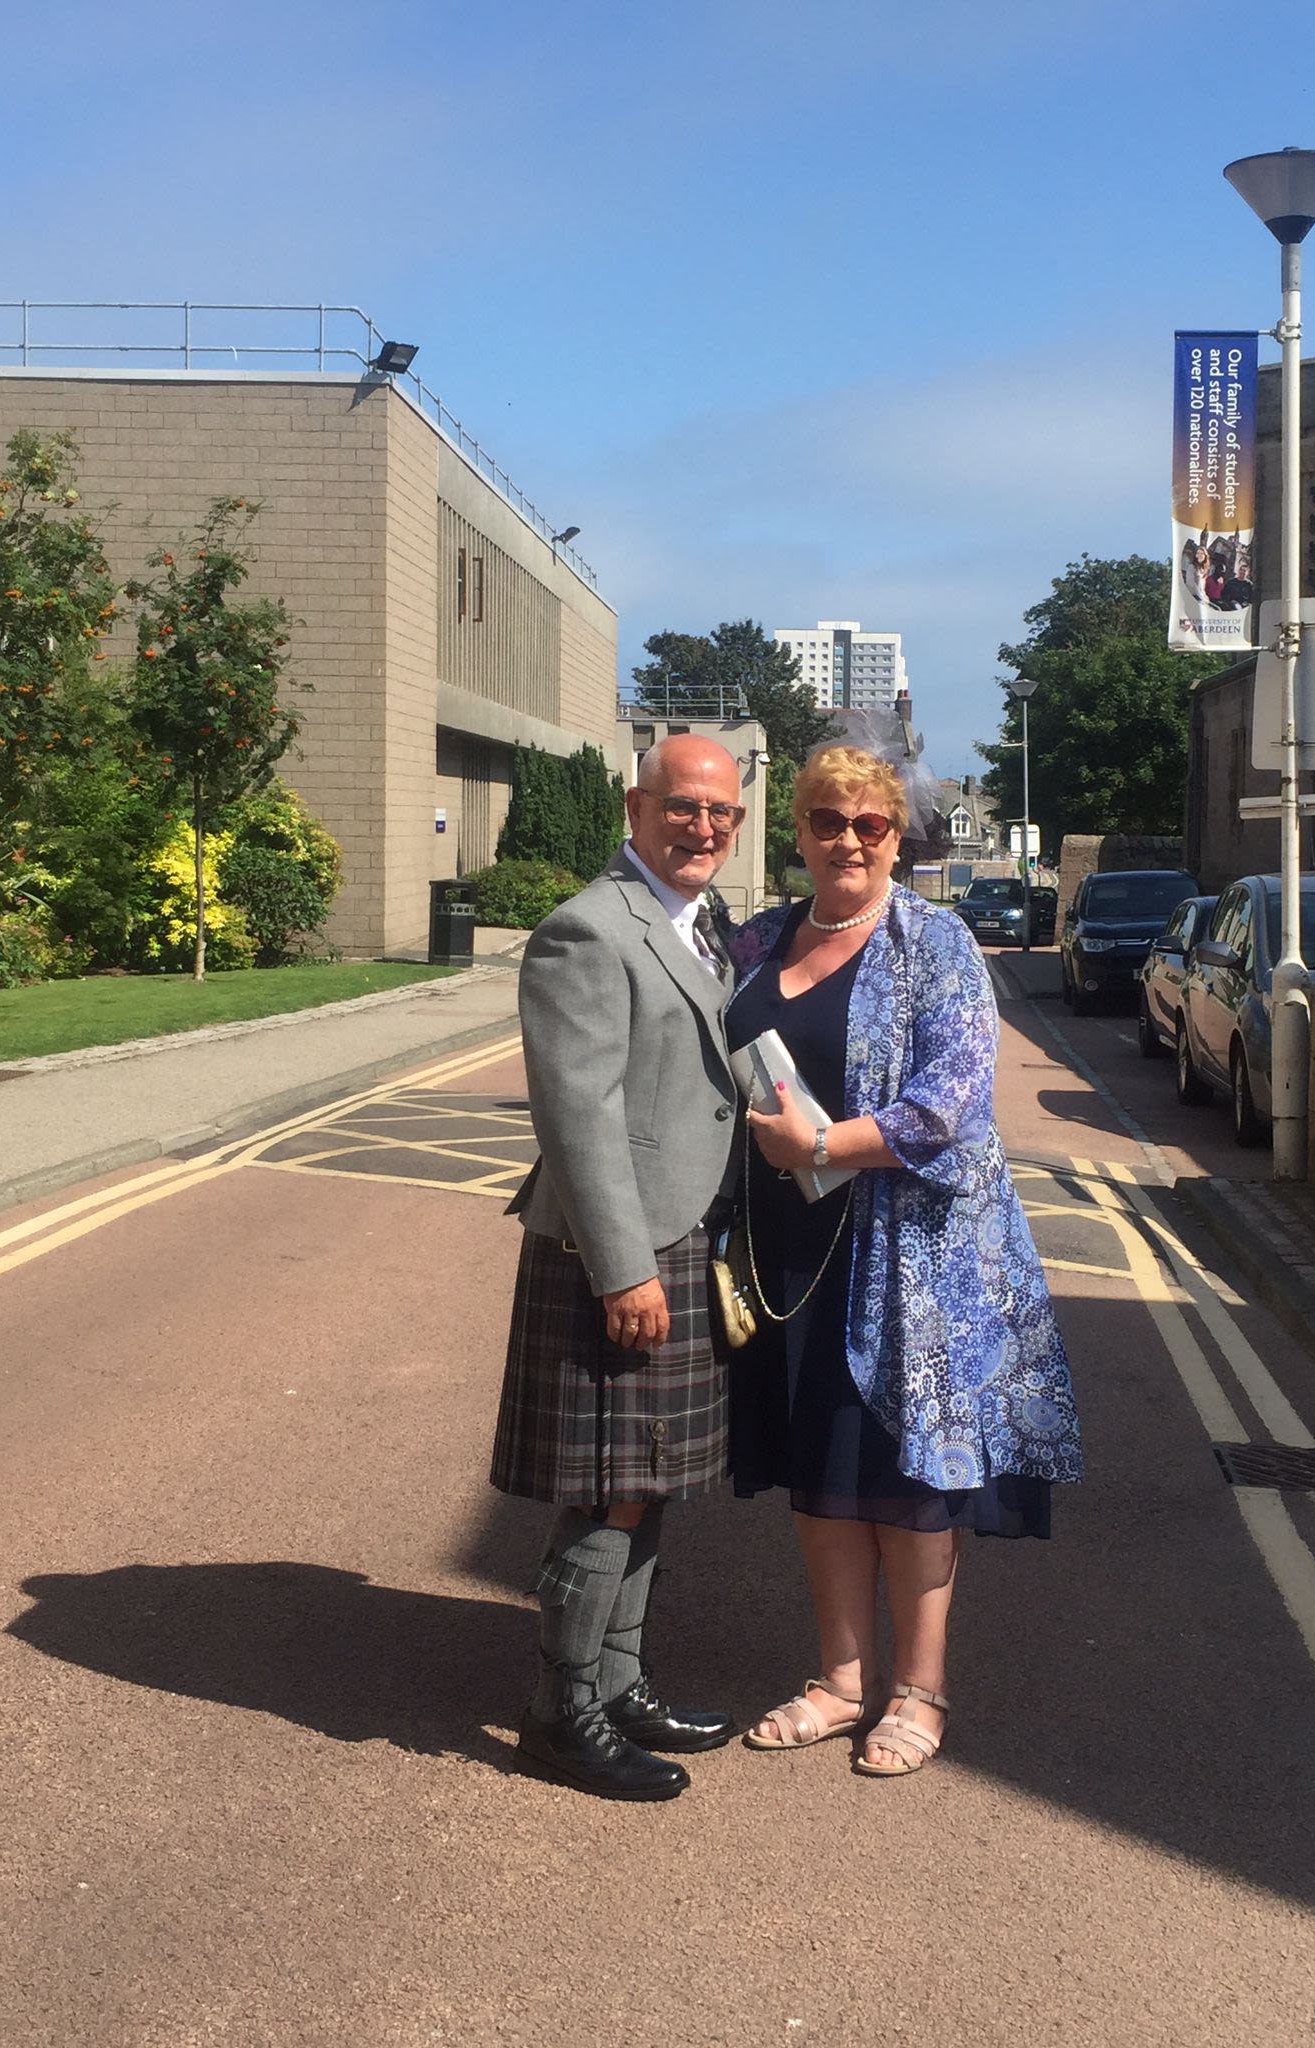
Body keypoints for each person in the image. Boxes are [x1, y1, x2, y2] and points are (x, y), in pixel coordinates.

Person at [726, 742, 1083, 1776]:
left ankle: (919, 1690)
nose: (848, 839)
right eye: (827, 820)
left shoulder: (935, 940)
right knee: (821, 1464)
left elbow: (951, 1100)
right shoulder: (758, 937)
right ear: (798, 832)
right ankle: (841, 1680)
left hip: (911, 1254)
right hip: (792, 1242)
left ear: (895, 838)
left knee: (905, 1475)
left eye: (869, 823)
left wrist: (820, 1146)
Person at [490, 735, 746, 1801]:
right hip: (626, 1249)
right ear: (636, 809)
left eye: (721, 813)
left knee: (649, 1481)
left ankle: (621, 1684)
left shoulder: (697, 922)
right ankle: (561, 1713)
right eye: (682, 807)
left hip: (685, 1236)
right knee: (609, 1493)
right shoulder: (588, 929)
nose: (703, 827)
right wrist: (623, 1268)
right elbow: (578, 1114)